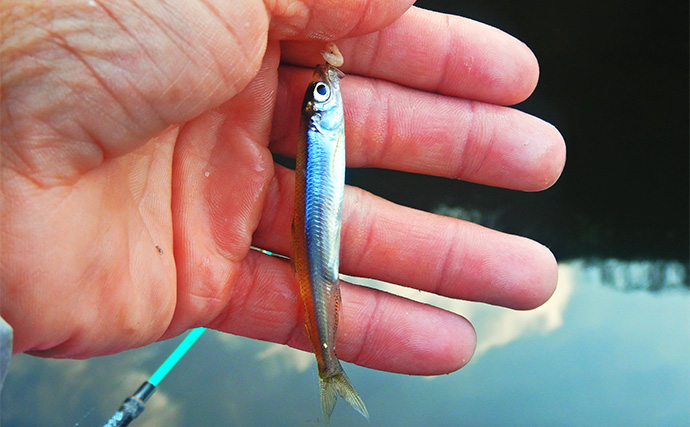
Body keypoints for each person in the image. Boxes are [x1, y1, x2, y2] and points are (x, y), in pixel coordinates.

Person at [0, 0, 565, 380]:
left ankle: (330, 363)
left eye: (321, 95)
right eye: (320, 97)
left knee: (323, 270)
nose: (326, 95)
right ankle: (329, 367)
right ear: (320, 115)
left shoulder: (325, 121)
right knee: (325, 277)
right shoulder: (323, 118)